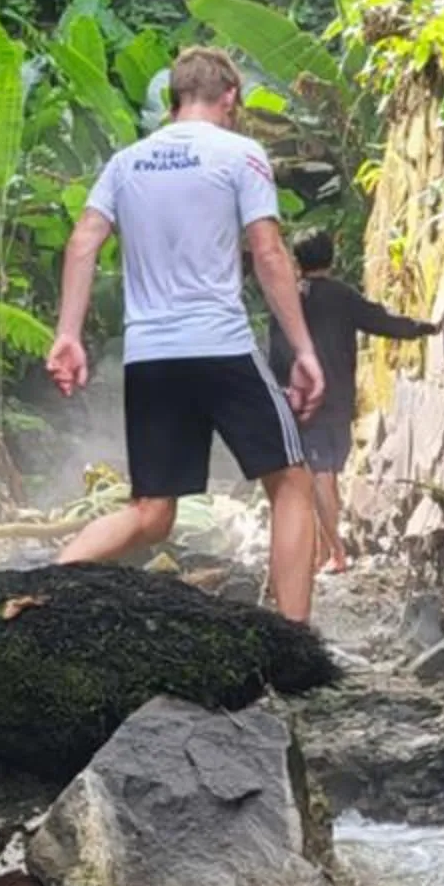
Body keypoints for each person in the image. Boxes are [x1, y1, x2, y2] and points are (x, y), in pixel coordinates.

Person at [44, 45, 326, 623]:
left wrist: (68, 334)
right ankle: (293, 639)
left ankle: (42, 590)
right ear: (229, 98)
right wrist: (302, 349)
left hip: (150, 357)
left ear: (175, 100)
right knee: (293, 483)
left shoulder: (126, 162)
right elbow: (268, 252)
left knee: (151, 514)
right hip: (219, 346)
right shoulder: (241, 153)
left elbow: (82, 242)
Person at [267, 231, 436, 574]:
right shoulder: (344, 297)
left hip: (306, 403)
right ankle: (321, 551)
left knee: (320, 475)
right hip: (341, 401)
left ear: (297, 261)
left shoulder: (288, 300)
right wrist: (424, 328)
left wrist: (280, 391)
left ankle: (336, 553)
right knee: (325, 474)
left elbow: (278, 353)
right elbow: (383, 321)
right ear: (333, 255)